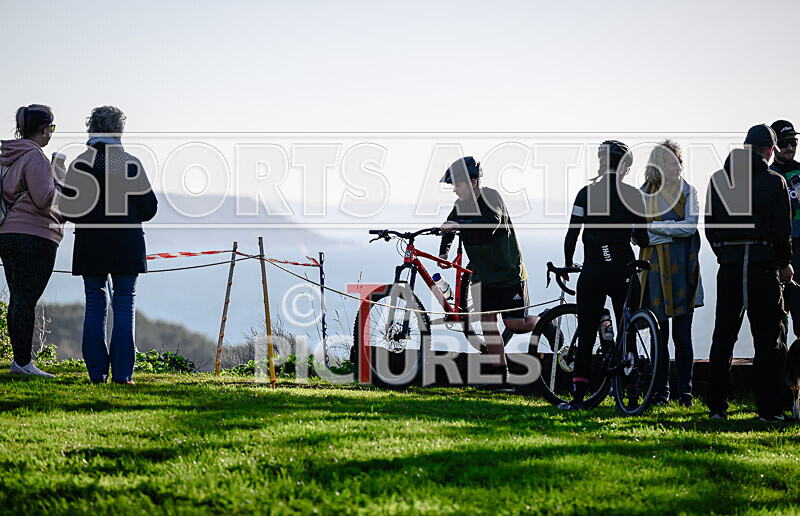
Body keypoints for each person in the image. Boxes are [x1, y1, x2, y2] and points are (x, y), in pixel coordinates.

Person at [60, 106, 158, 385]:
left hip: (90, 244)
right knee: (124, 304)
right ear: (118, 131)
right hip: (126, 244)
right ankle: (123, 374)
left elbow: (67, 209)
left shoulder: (80, 164)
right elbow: (149, 208)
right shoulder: (129, 163)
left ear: (91, 129)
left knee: (94, 302)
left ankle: (96, 372)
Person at [705, 124, 792, 421]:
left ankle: (717, 406)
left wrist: (724, 253)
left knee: (724, 334)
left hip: (730, 264)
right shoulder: (775, 181)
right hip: (762, 264)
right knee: (768, 337)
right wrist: (784, 263)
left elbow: (710, 226)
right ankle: (769, 409)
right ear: (770, 150)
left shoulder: (718, 179)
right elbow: (782, 230)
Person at [560, 140, 650, 410]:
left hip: (594, 270)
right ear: (625, 168)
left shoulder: (585, 193)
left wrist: (568, 263)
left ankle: (578, 399)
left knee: (587, 334)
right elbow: (643, 239)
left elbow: (571, 235)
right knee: (627, 333)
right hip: (623, 270)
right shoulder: (634, 196)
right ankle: (632, 396)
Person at [438, 156, 543, 385]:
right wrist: (443, 253)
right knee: (488, 322)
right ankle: (501, 377)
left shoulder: (491, 197)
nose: (455, 190)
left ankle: (546, 322)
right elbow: (449, 228)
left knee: (514, 324)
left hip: (508, 272)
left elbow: (491, 225)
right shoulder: (459, 206)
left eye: (458, 185)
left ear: (473, 182)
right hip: (482, 275)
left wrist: (459, 225)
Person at [0, 105, 65, 378]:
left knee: (17, 299)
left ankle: (20, 361)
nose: (51, 132)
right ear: (44, 129)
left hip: (8, 233)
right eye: (51, 127)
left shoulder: (9, 156)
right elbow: (44, 199)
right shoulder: (36, 157)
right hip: (34, 235)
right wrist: (59, 176)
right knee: (26, 300)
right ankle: (24, 363)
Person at [639, 140, 703, 408]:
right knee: (660, 336)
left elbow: (690, 228)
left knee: (683, 335)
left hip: (683, 271)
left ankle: (686, 394)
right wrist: (670, 230)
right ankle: (661, 393)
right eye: (671, 162)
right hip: (654, 271)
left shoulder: (689, 192)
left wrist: (657, 227)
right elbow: (638, 234)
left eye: (679, 161)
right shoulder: (643, 194)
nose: (678, 167)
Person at [769, 120, 800, 340]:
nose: (789, 147)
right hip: (777, 248)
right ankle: (780, 357)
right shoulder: (767, 175)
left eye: (793, 142)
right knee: (778, 310)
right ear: (773, 146)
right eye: (783, 143)